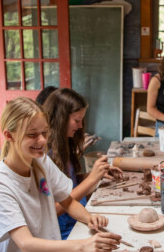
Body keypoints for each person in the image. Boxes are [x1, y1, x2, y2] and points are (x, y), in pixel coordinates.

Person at [0, 97, 121, 252]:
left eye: (44, 133)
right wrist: (83, 245)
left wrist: (88, 218)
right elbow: (27, 245)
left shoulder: (40, 161)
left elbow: (67, 201)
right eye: (32, 135)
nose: (42, 141)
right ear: (9, 135)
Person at [44, 88, 122, 239]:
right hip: (63, 229)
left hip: (80, 216)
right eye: (76, 120)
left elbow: (69, 182)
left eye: (82, 120)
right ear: (60, 119)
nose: (80, 126)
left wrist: (96, 175)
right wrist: (92, 179)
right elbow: (55, 208)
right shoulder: (46, 155)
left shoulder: (64, 144)